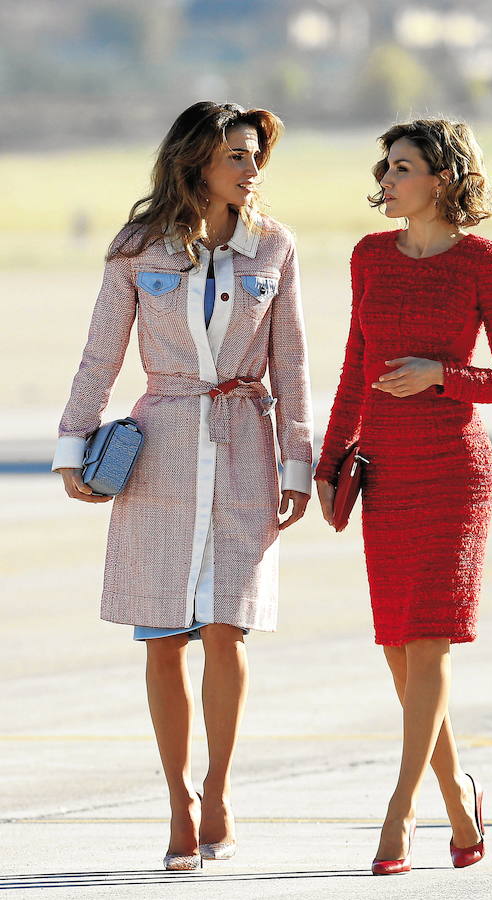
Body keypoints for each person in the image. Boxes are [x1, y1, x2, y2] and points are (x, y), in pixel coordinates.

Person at [51, 101, 313, 870]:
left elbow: (292, 366)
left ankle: (220, 790)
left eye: (255, 156)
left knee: (228, 631)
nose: (252, 169)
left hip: (243, 452)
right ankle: (177, 803)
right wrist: (75, 449)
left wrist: (297, 461)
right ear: (197, 160)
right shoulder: (137, 248)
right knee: (163, 636)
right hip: (159, 451)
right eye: (237, 155)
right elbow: (99, 355)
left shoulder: (275, 248)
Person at [314, 118, 492, 875]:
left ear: (440, 178)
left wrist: (442, 374)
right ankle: (460, 799)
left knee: (431, 637)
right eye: (386, 166)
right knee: (401, 648)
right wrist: (331, 451)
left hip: (454, 471)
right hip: (388, 470)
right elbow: (353, 364)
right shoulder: (369, 256)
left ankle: (397, 815)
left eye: (401, 167)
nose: (387, 178)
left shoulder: (482, 262)